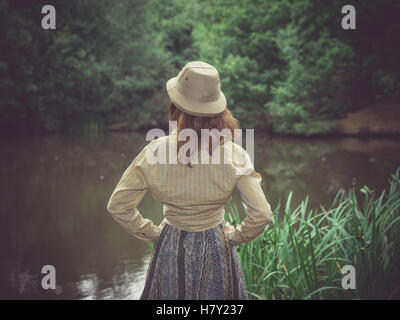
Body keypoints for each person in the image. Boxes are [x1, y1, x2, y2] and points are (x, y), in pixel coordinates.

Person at [106, 61, 273, 300]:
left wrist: (153, 233)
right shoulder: (235, 154)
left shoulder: (155, 151)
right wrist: (235, 236)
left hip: (170, 246)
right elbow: (262, 214)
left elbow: (118, 205)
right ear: (218, 110)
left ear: (175, 106)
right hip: (217, 245)